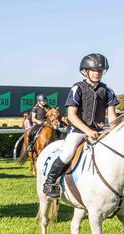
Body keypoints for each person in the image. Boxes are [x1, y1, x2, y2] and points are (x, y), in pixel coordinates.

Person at [43, 53, 118, 199]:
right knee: (68, 152)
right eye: (94, 70)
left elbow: (112, 115)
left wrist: (115, 131)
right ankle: (49, 182)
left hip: (100, 131)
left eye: (100, 71)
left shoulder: (108, 91)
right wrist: (88, 131)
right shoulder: (78, 88)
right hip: (78, 131)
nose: (97, 73)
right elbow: (71, 115)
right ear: (86, 71)